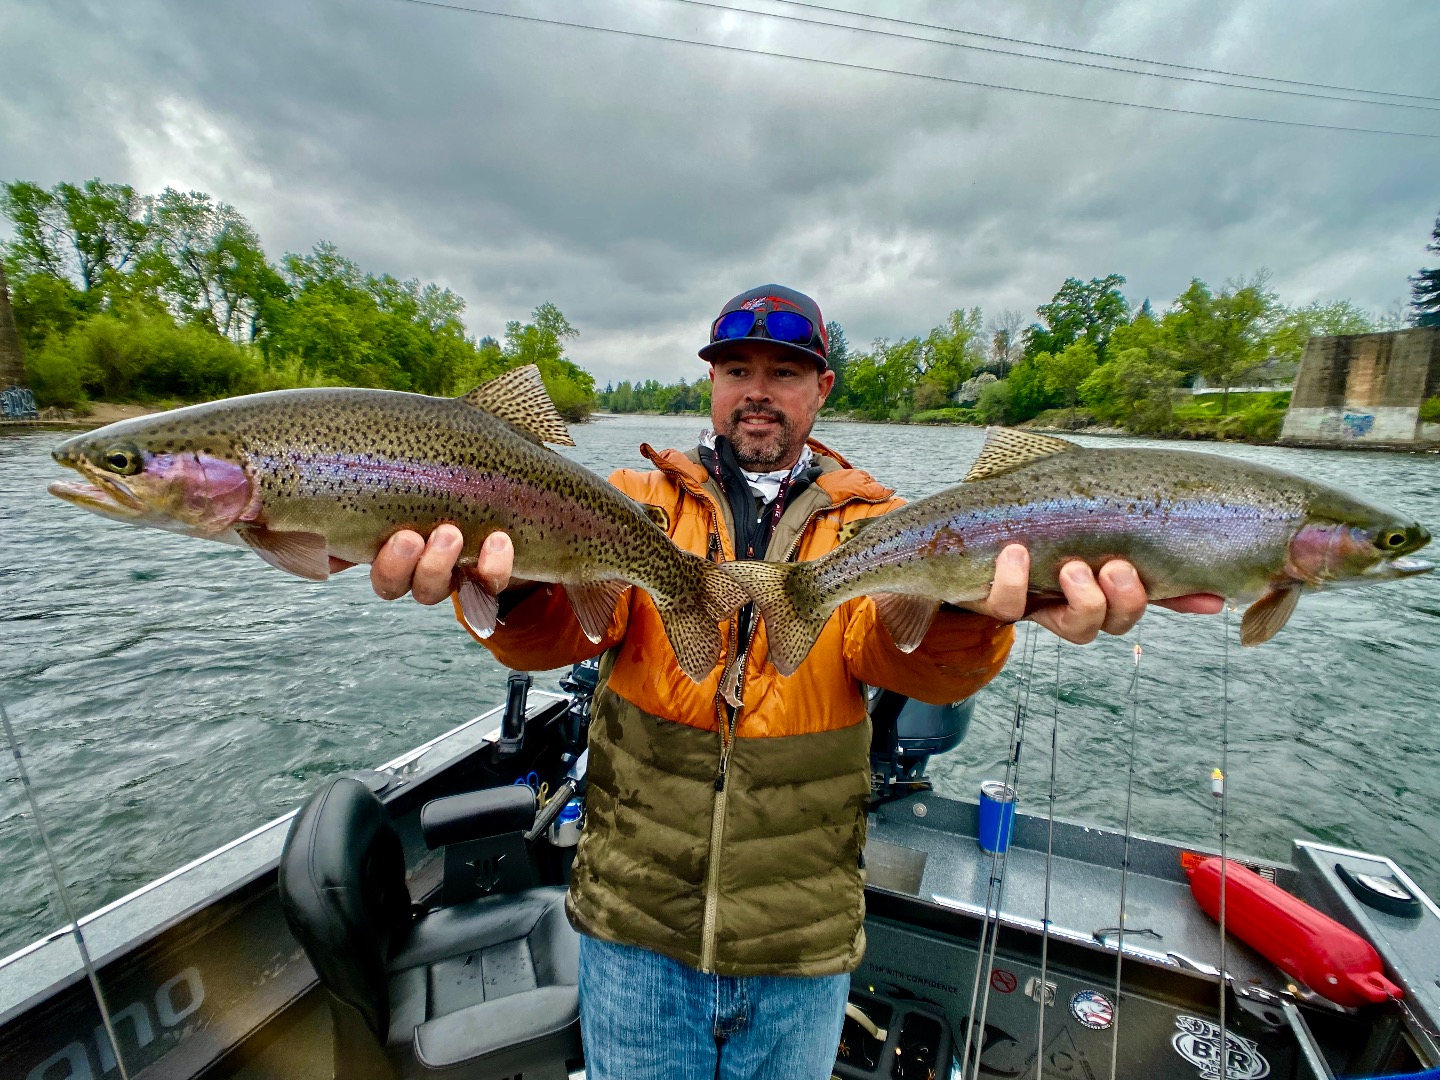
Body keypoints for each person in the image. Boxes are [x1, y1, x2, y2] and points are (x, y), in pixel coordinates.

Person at [368, 285, 1221, 1079]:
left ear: (822, 389)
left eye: (785, 372)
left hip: (801, 945)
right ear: (711, 383)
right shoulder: (627, 501)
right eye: (737, 370)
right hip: (634, 929)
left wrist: (975, 613)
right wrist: (511, 591)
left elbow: (903, 659)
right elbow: (559, 637)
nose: (758, 391)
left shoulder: (885, 528)